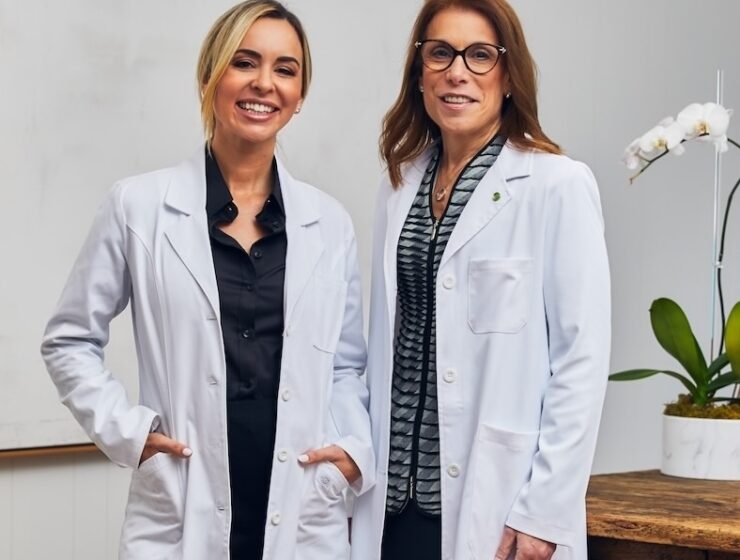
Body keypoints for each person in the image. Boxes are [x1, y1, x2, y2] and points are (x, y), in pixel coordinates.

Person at [40, 1, 373, 558]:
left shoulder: (329, 222)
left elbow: (344, 364)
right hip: (182, 497)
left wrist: (350, 450)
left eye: (285, 69)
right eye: (244, 62)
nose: (264, 83)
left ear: (299, 96)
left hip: (300, 500)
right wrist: (130, 433)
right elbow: (69, 339)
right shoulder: (138, 206)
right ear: (210, 77)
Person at [350, 0, 611, 559]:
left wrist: (544, 512)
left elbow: (581, 361)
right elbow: (384, 346)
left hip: (498, 502)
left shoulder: (555, 185)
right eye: (440, 53)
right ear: (419, 72)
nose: (457, 72)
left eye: (480, 55)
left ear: (509, 75)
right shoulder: (398, 186)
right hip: (392, 503)